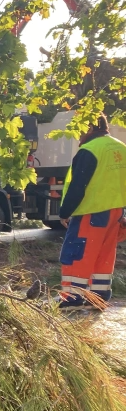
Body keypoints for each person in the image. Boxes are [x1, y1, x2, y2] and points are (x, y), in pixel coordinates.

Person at [58, 115, 126, 308]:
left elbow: (78, 186)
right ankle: (98, 296)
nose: (77, 135)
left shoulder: (90, 150)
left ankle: (72, 297)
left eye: (79, 129)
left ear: (88, 128)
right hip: (115, 212)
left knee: (77, 253)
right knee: (103, 254)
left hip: (91, 212)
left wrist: (64, 212)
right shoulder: (120, 147)